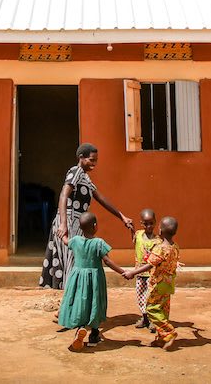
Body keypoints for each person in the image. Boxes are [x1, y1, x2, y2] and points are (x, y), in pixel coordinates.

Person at [39, 142, 134, 290]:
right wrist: (64, 224)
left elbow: (101, 198)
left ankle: (68, 305)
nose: (94, 164)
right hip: (69, 221)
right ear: (81, 158)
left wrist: (121, 216)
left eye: (96, 160)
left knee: (73, 262)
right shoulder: (76, 171)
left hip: (76, 223)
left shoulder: (85, 177)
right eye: (92, 160)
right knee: (73, 262)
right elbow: (64, 195)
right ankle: (67, 306)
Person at [58, 212, 127, 351]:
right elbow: (107, 261)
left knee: (80, 301)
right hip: (95, 279)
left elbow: (66, 241)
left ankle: (80, 328)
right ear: (95, 226)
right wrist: (123, 272)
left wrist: (62, 233)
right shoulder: (98, 243)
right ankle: (94, 333)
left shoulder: (76, 240)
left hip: (77, 277)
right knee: (95, 302)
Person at [124, 216, 181, 350]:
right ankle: (161, 339)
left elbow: (150, 265)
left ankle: (169, 332)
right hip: (168, 285)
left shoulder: (160, 248)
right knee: (163, 310)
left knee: (151, 308)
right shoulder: (175, 247)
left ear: (160, 230)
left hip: (158, 284)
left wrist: (133, 272)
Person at [132, 208, 159, 331]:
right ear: (141, 223)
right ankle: (145, 318)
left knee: (151, 297)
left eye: (151, 223)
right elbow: (134, 240)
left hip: (152, 274)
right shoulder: (138, 235)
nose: (149, 226)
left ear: (155, 222)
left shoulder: (158, 240)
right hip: (140, 273)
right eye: (145, 223)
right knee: (140, 296)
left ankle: (153, 320)